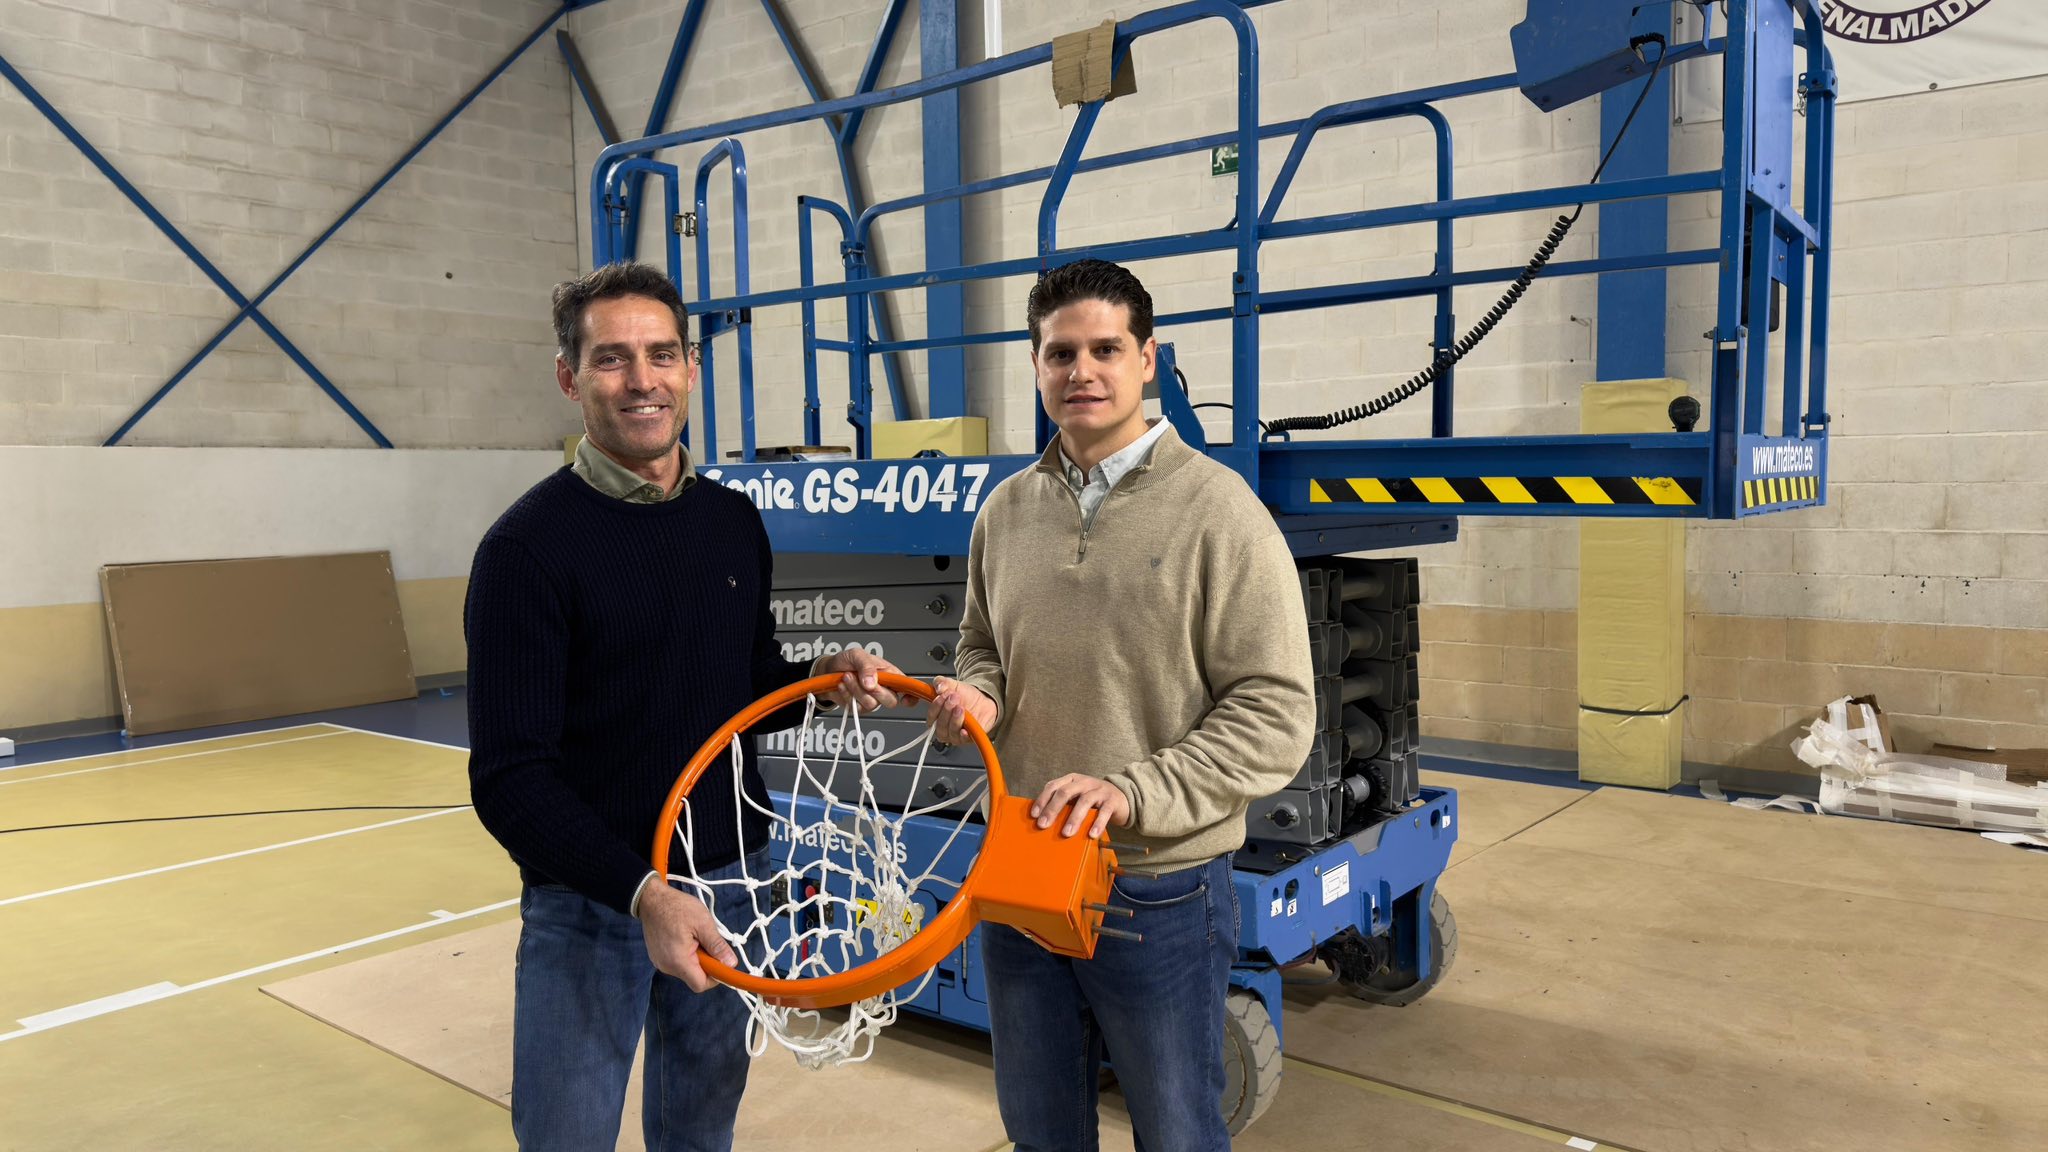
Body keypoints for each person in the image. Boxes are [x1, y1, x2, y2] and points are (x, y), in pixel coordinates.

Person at [464, 261, 898, 1152]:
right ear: (569, 377)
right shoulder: (525, 550)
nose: (643, 380)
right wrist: (642, 894)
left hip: (734, 881)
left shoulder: (731, 521)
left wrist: (821, 677)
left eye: (662, 354)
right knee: (566, 1137)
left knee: (700, 1132)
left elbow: (740, 688)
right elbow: (510, 780)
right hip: (595, 900)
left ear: (691, 368)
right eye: (612, 358)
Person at [931, 258, 1316, 1150]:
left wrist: (1133, 792)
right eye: (1060, 353)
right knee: (1040, 1128)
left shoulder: (1220, 512)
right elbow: (982, 645)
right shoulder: (1005, 511)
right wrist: (980, 697)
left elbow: (1275, 712)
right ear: (1036, 365)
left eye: (1106, 349)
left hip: (1158, 889)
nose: (1083, 371)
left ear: (1148, 360)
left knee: (1176, 1131)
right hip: (1023, 870)